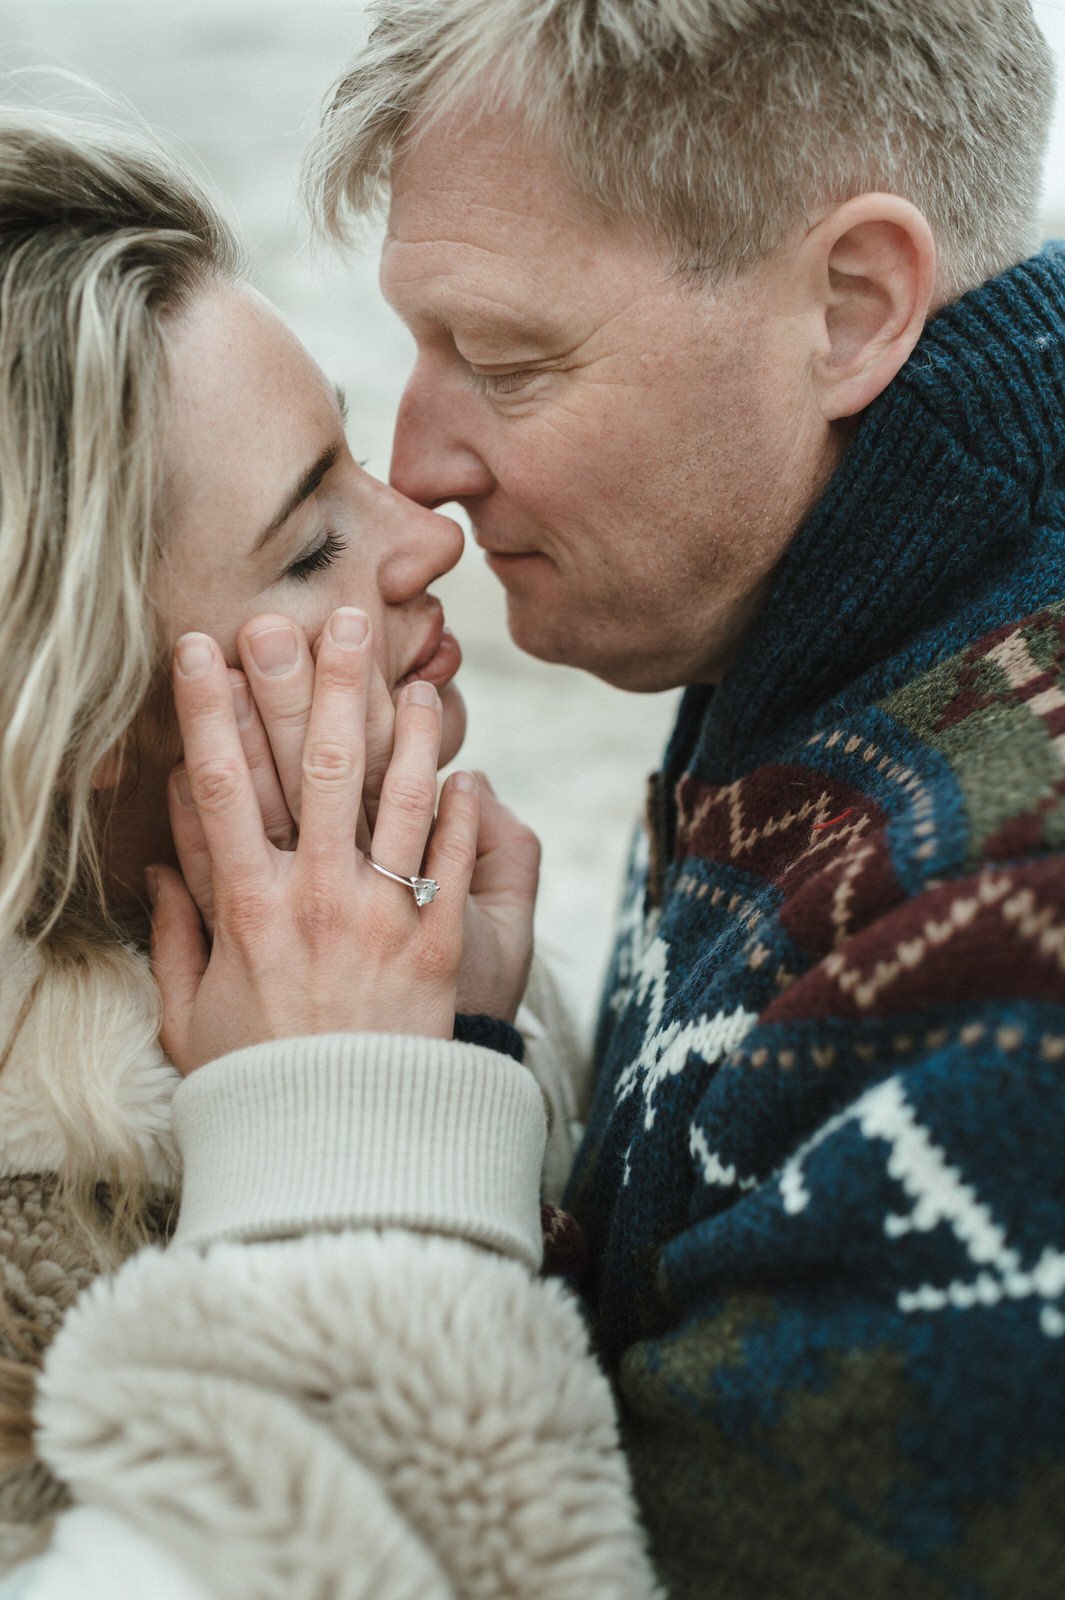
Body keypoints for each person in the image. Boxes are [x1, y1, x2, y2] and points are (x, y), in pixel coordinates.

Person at [296, 0, 1065, 1594]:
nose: (418, 461)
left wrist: (342, 1145)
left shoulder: (1009, 963)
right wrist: (475, 1064)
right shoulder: (823, 597)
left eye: (505, 359)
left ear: (852, 310)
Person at [0, 106, 655, 1596]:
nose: (422, 532)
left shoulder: (409, 931)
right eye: (309, 544)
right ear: (75, 708)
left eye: (354, 460)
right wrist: (348, 1128)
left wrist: (480, 1048)